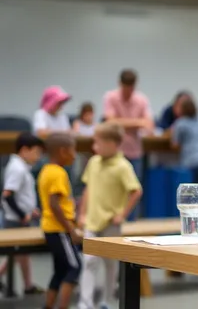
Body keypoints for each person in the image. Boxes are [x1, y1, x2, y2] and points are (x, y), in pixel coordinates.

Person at [77, 122, 143, 309]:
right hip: (92, 221)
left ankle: (107, 300)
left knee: (110, 264)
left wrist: (122, 214)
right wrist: (82, 214)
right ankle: (85, 302)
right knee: (89, 261)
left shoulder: (123, 166)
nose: (94, 147)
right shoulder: (93, 162)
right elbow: (88, 189)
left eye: (97, 143)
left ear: (112, 143)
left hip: (110, 223)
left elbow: (136, 191)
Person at [38, 132, 82, 309]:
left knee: (61, 270)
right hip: (59, 229)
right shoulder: (58, 173)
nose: (75, 154)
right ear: (63, 151)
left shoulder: (46, 170)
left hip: (51, 228)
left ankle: (48, 306)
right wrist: (70, 229)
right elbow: (54, 204)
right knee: (75, 267)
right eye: (73, 150)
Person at [0, 133, 45, 296]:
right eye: (36, 152)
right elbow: (8, 195)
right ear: (25, 150)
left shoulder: (22, 167)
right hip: (15, 219)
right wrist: (22, 214)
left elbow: (20, 194)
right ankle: (27, 286)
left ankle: (28, 285)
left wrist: (30, 209)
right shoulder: (17, 168)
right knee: (19, 254)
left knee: (21, 254)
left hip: (19, 216)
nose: (38, 157)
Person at [103, 69, 154, 184]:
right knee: (114, 187)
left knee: (134, 187)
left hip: (134, 152)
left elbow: (149, 124)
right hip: (114, 152)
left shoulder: (142, 100)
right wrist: (138, 123)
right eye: (126, 88)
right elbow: (110, 122)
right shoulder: (110, 97)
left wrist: (120, 122)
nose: (128, 92)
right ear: (120, 84)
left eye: (131, 89)